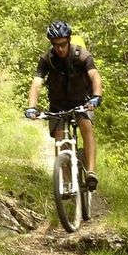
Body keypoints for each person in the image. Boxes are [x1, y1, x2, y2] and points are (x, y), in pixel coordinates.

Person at [24, 20, 103, 191]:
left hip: (82, 102)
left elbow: (94, 76)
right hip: (58, 105)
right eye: (55, 45)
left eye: (62, 44)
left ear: (68, 40)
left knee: (86, 126)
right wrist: (32, 106)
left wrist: (96, 96)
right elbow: (37, 83)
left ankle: (90, 172)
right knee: (60, 140)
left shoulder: (80, 54)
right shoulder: (47, 59)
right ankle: (67, 183)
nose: (59, 48)